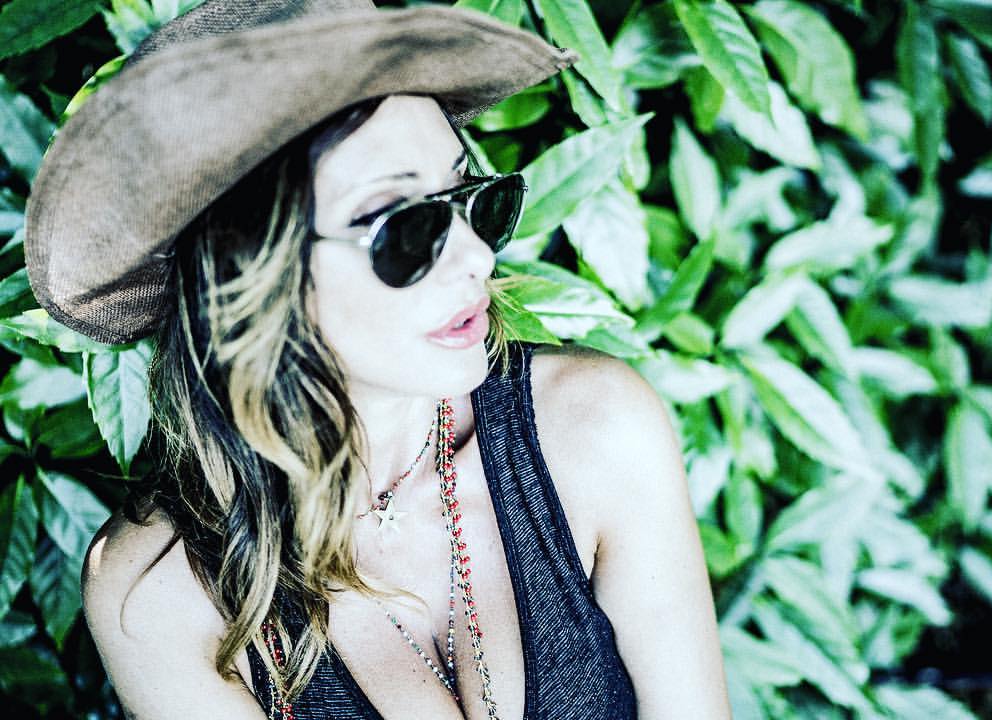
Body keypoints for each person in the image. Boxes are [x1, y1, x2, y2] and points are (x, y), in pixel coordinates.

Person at [24, 1, 731, 718]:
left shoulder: (596, 428)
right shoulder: (158, 593)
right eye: (404, 225)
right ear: (251, 279)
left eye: (466, 197)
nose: (477, 256)